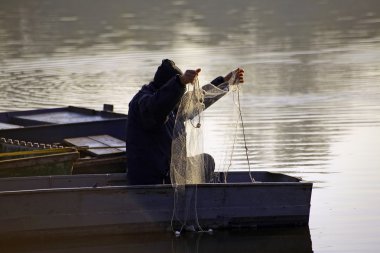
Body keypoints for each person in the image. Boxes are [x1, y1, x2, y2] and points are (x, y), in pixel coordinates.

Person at [126, 59, 244, 185]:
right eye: (177, 90)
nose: (179, 98)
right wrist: (179, 82)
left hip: (167, 171)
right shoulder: (144, 102)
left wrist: (224, 83)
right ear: (167, 88)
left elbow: (198, 100)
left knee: (206, 162)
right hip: (149, 177)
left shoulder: (170, 102)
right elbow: (157, 106)